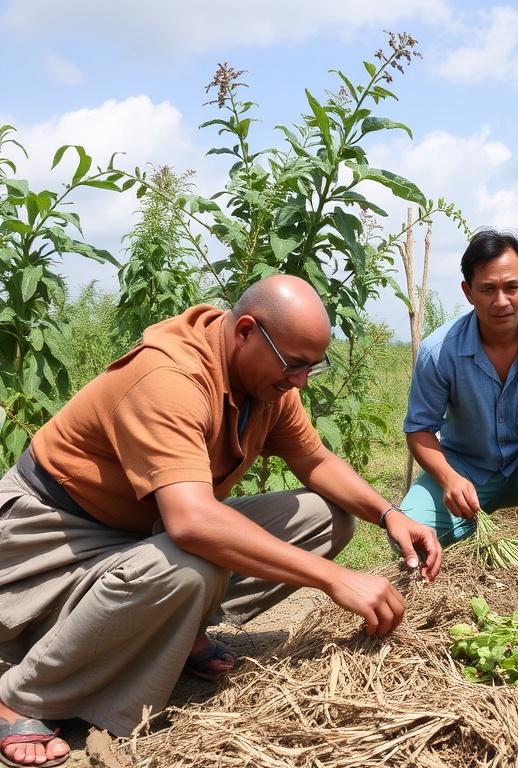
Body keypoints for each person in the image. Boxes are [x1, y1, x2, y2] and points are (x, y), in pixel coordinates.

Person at [0, 275, 442, 766]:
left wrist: (389, 514)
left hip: (144, 533)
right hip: (51, 534)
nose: (299, 380)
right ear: (247, 331)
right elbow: (190, 523)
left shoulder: (265, 383)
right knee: (193, 562)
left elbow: (315, 461)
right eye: (294, 364)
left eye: (311, 367)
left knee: (327, 518)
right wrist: (335, 579)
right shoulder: (169, 377)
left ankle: (175, 632)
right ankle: (25, 695)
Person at [401, 228, 518, 545]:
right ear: (468, 292)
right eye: (488, 289)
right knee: (409, 534)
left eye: (512, 287)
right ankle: (474, 526)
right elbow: (420, 429)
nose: (501, 301)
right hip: (465, 470)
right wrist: (448, 478)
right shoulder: (438, 352)